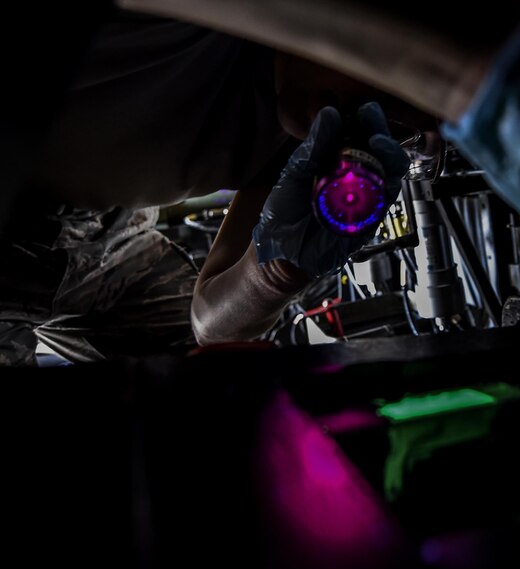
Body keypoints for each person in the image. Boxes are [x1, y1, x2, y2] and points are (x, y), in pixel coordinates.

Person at [122, 0, 520, 370]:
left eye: (420, 126)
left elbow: (205, 321)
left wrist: (271, 274)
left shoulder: (287, 116)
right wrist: (474, 70)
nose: (421, 131)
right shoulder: (240, 78)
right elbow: (210, 322)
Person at [0, 7, 424, 366]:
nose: (372, 113)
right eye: (388, 75)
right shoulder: (201, 25)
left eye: (401, 124)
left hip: (109, 240)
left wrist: (274, 272)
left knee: (219, 392)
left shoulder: (303, 136)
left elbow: (210, 326)